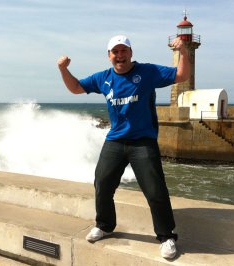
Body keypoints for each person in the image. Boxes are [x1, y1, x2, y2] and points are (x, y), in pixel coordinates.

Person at [57, 35, 190, 259]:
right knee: (102, 182)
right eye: (115, 52)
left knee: (155, 190)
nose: (120, 56)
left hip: (143, 141)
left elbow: (181, 74)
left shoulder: (147, 72)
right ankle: (105, 225)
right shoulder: (103, 78)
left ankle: (166, 236)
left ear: (130, 52)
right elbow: (76, 88)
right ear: (109, 55)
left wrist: (184, 51)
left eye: (123, 51)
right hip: (115, 140)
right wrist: (63, 69)